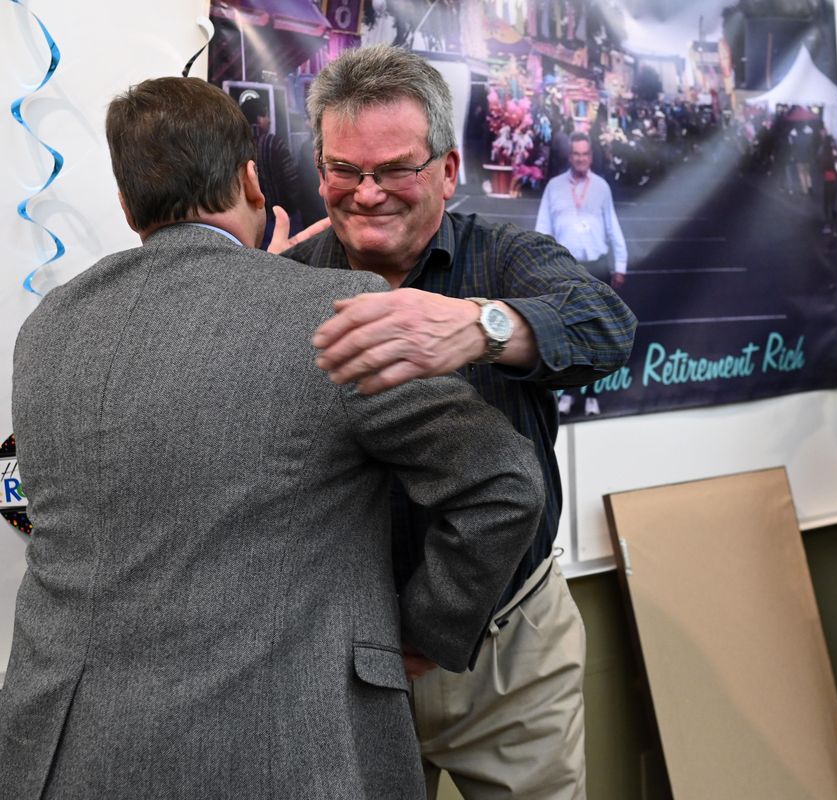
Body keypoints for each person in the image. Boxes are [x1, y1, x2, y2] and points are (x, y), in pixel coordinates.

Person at [0, 76, 544, 799]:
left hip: (60, 749)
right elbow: (505, 486)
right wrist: (420, 633)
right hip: (280, 750)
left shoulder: (49, 331)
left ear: (129, 205)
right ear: (254, 181)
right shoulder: (337, 315)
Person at [280, 45, 637, 800]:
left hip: (509, 654)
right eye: (346, 169)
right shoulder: (288, 277)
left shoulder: (506, 256)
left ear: (446, 170)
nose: (368, 194)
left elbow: (606, 325)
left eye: (397, 169)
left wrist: (485, 328)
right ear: (320, 171)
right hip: (348, 662)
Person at [535, 132, 629, 291]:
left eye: (585, 154)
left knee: (599, 315)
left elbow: (612, 227)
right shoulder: (554, 186)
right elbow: (542, 229)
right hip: (564, 269)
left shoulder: (601, 187)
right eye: (576, 154)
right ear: (570, 157)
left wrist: (620, 266)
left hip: (597, 269)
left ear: (591, 157)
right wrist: (540, 266)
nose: (581, 159)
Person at [239, 92, 304, 247]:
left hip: (257, 222)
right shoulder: (273, 143)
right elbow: (292, 181)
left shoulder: (239, 148)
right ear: (259, 118)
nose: (268, 120)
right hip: (285, 217)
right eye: (266, 115)